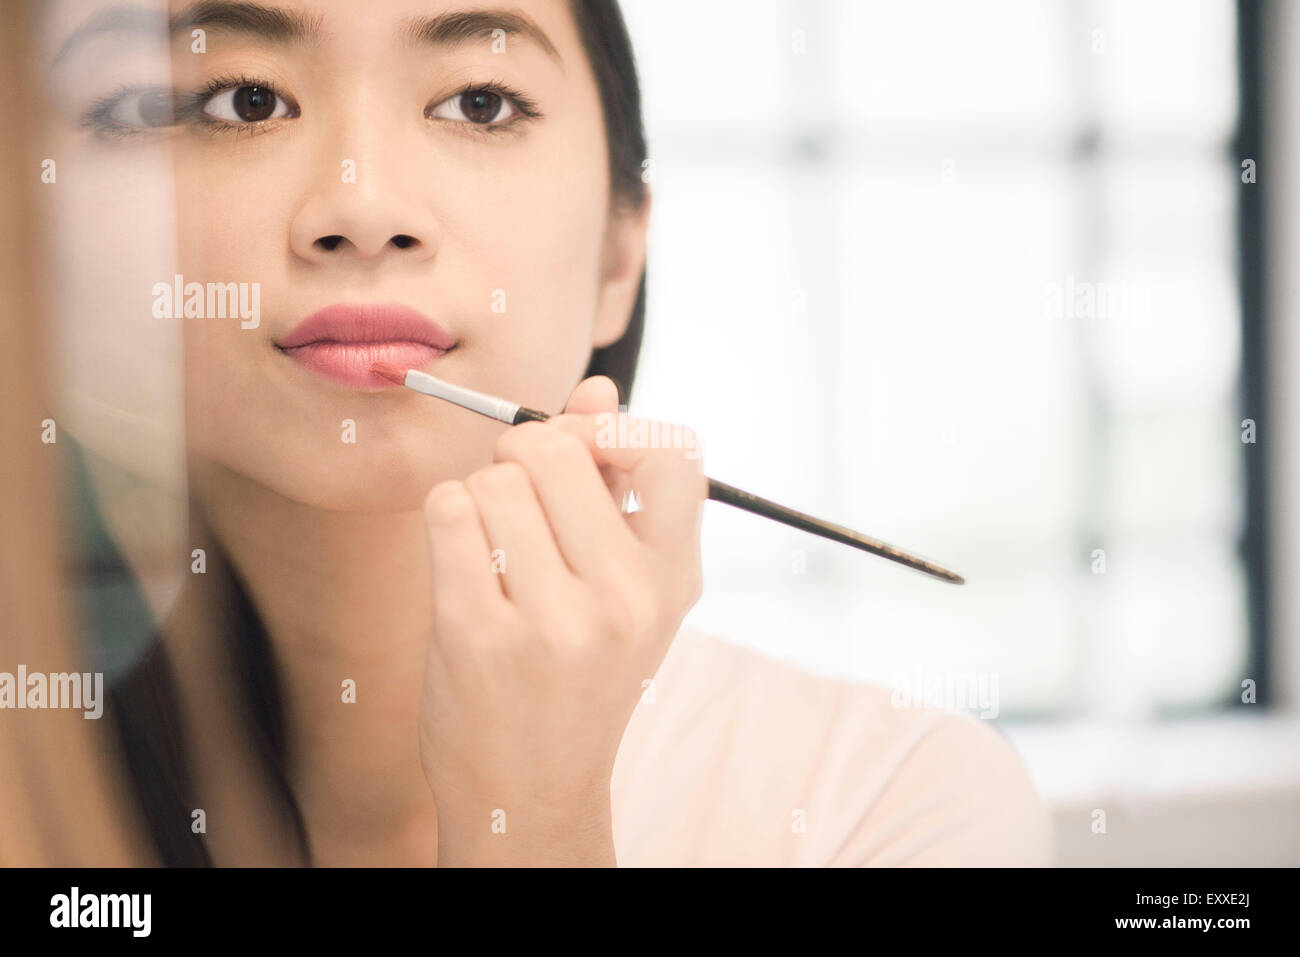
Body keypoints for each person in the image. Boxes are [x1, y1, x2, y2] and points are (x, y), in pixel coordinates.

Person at [46, 0, 1051, 866]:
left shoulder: (890, 802)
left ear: (622, 254)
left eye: (478, 101)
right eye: (241, 100)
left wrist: (533, 818)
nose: (361, 207)